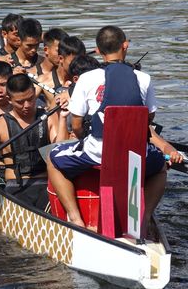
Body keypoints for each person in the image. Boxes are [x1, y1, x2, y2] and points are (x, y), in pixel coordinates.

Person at [47, 25, 177, 230]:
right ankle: (144, 219)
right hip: (135, 153)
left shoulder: (86, 79)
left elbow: (77, 124)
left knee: (52, 159)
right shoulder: (144, 79)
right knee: (161, 167)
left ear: (97, 51)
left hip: (97, 151)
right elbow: (148, 118)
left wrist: (83, 139)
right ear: (125, 46)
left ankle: (75, 219)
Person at [0, 73, 68, 209]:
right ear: (9, 99)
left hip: (46, 184)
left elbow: (61, 150)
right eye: (20, 102)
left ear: (34, 92)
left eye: (30, 99)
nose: (27, 105)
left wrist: (63, 118)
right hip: (16, 187)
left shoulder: (49, 118)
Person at [35, 35, 85, 108]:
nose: (78, 65)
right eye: (73, 62)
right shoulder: (42, 81)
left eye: (81, 61)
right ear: (61, 58)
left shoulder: (86, 80)